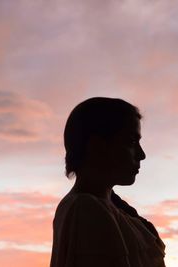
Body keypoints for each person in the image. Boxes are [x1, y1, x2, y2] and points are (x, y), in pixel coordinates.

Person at [50, 97, 166, 267]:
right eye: (131, 142)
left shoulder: (110, 209)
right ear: (97, 146)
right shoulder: (85, 209)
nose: (141, 154)